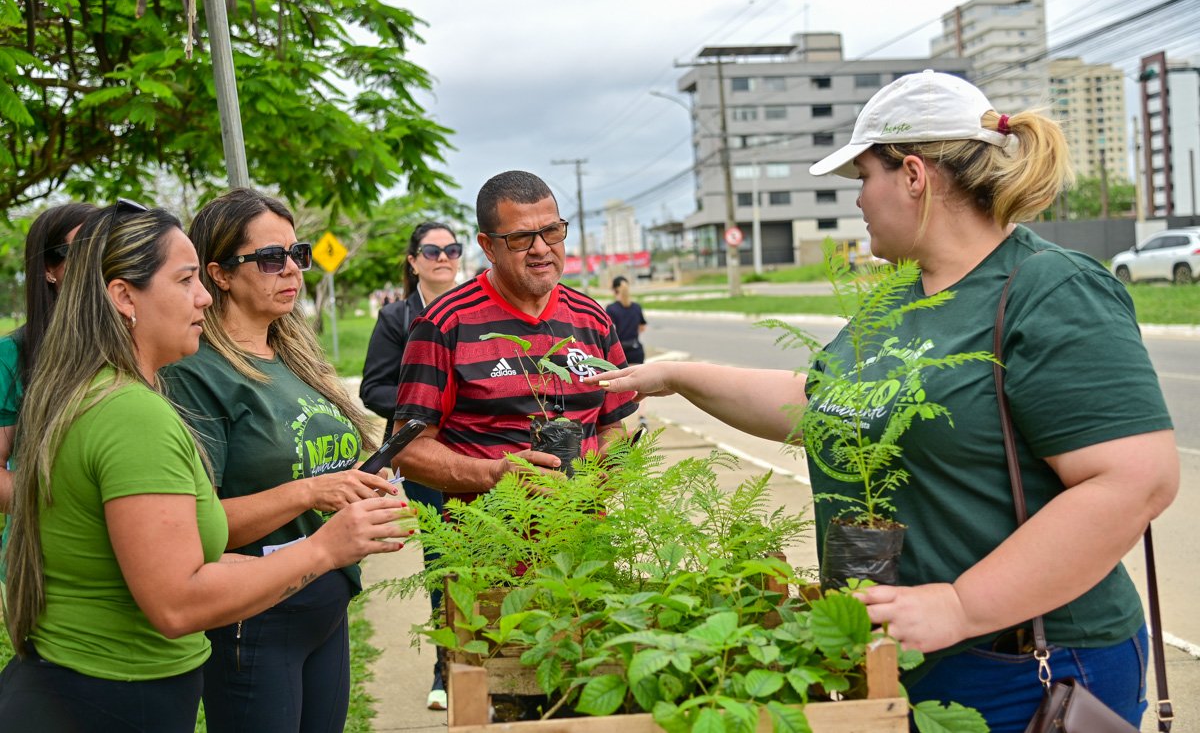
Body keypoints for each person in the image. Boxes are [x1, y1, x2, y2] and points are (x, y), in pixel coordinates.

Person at [585, 71, 1179, 731]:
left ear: (914, 176)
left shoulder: (1049, 290)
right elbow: (819, 407)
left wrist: (961, 604)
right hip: (911, 656)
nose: (859, 200)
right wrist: (681, 378)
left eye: (864, 176)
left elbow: (1134, 482)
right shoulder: (900, 298)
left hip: (1027, 667)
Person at [0, 200, 410, 733]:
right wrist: (323, 547)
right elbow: (176, 601)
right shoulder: (132, 413)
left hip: (90, 687)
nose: (202, 297)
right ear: (124, 297)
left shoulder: (98, 391)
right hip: (109, 696)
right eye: (188, 279)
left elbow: (163, 557)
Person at [159, 188, 403, 733]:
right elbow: (197, 528)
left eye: (299, 253)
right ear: (218, 274)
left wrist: (362, 484)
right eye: (271, 258)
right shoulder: (197, 374)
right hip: (256, 616)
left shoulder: (293, 354)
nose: (292, 269)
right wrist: (312, 493)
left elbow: (318, 466)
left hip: (325, 599)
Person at [392, 169, 638, 500]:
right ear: (488, 247)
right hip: (486, 544)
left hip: (584, 540)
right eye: (521, 238)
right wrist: (495, 473)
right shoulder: (444, 325)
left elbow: (612, 426)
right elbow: (406, 452)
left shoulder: (593, 319)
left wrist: (606, 466)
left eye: (552, 231)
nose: (541, 249)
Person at [359, 220, 462, 710]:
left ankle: (498, 657)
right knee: (443, 562)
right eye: (432, 250)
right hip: (424, 456)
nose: (443, 257)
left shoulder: (477, 311)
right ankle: (445, 670)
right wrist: (426, 406)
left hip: (483, 454)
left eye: (452, 249)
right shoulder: (396, 317)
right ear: (413, 260)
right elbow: (373, 388)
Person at [1, 203, 98, 513]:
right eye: (84, 252)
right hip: (42, 552)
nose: (98, 264)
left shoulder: (140, 342)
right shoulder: (11, 355)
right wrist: (69, 507)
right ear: (48, 269)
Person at [605, 275, 648, 430]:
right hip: (636, 349)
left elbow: (609, 331)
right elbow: (642, 327)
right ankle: (642, 417)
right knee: (642, 386)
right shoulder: (636, 307)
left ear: (613, 290)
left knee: (619, 386)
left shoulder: (611, 308)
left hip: (620, 352)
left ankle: (619, 423)